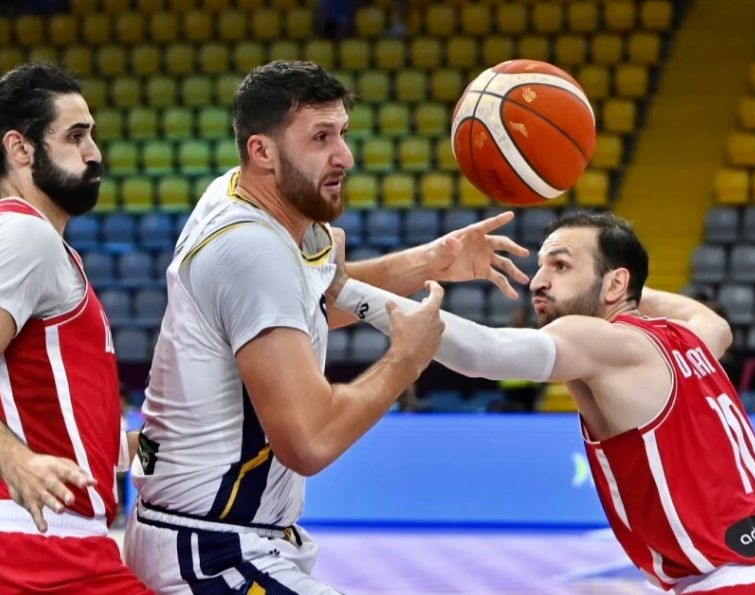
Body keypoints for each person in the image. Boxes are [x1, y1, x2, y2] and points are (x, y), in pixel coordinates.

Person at [124, 60, 527, 593]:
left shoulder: (244, 197)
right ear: (261, 151)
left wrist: (431, 261)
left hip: (208, 535)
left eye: (342, 133)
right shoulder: (252, 250)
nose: (345, 156)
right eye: (320, 137)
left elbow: (307, 301)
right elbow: (309, 442)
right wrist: (407, 358)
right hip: (212, 552)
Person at [331, 211, 755, 594]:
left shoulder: (604, 339)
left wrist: (344, 289)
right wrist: (624, 286)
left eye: (561, 265)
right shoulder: (690, 338)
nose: (538, 280)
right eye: (541, 265)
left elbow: (481, 352)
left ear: (614, 282)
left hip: (734, 583)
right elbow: (714, 321)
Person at [0, 63, 150, 592]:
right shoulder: (24, 237)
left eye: (93, 136)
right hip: (40, 547)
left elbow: (76, 440)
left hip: (60, 544)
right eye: (75, 136)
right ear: (20, 148)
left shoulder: (43, 246)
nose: (94, 154)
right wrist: (13, 458)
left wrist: (159, 445)